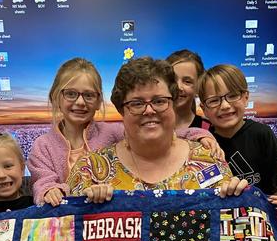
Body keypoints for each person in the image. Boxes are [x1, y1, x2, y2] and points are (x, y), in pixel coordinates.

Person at [27, 57, 220, 206]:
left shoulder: (111, 132)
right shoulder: (46, 147)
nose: (80, 102)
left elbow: (154, 134)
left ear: (98, 101)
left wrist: (199, 136)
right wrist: (51, 193)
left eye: (88, 95)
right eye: (70, 94)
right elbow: (43, 183)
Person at [67, 56, 248, 202]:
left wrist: (238, 200)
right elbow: (64, 236)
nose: (149, 111)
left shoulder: (208, 160)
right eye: (137, 103)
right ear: (122, 110)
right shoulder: (89, 171)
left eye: (159, 101)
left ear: (173, 103)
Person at [198, 63, 277, 194]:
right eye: (214, 100)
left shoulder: (262, 134)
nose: (225, 105)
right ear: (204, 109)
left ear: (246, 98)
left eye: (232, 96)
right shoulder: (205, 144)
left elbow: (276, 184)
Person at [166, 49, 206, 129]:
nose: (178, 87)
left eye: (187, 81)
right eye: (173, 80)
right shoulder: (152, 126)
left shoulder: (207, 128)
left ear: (197, 87)